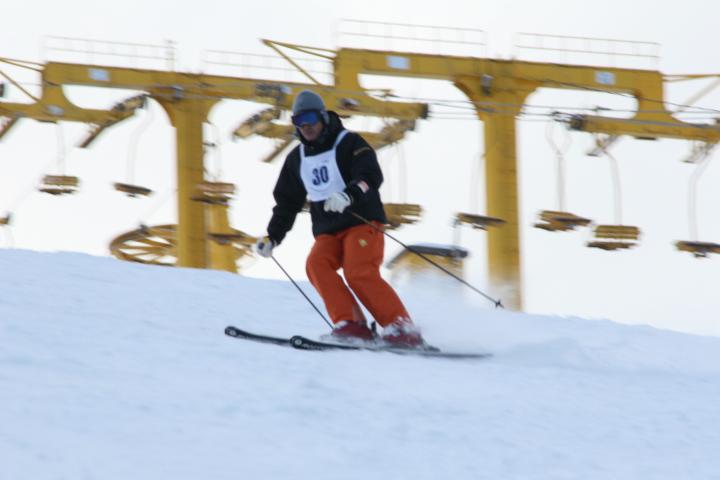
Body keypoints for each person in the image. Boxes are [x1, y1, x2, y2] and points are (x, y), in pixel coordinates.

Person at [255, 90, 424, 348]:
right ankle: (351, 325)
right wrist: (273, 237)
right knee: (316, 265)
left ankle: (401, 327)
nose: (306, 126)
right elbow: (287, 203)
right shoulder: (297, 159)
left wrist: (349, 195)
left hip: (361, 222)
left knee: (358, 272)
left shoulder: (348, 143)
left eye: (310, 119)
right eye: (299, 121)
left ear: (323, 117)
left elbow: (370, 175)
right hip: (328, 231)